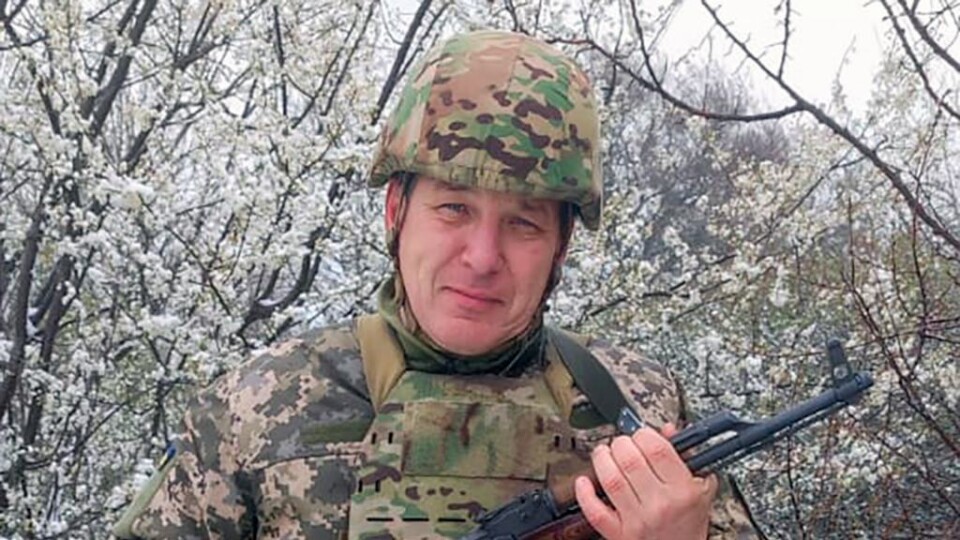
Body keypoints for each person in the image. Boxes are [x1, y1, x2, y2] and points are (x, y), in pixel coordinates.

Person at [112, 30, 757, 539]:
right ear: (396, 211)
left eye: (523, 224)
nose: (482, 257)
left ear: (560, 246)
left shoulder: (638, 409)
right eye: (454, 209)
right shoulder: (257, 407)